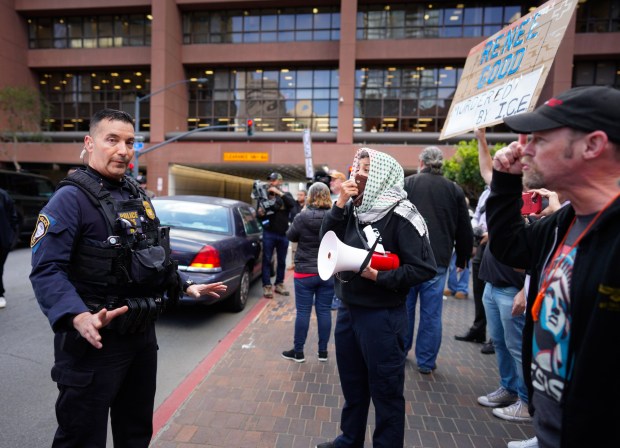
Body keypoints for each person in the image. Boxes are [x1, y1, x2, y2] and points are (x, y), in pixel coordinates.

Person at [29, 109, 227, 448]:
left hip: (140, 337)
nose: (123, 150)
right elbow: (47, 268)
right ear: (90, 143)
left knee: (135, 433)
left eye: (130, 142)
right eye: (113, 140)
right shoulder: (69, 199)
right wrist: (76, 315)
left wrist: (185, 285)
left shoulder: (138, 197)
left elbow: (151, 256)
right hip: (94, 341)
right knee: (80, 437)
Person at [488, 85, 620, 448]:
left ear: (592, 145)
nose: (524, 148)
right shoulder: (566, 221)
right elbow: (510, 246)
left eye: (540, 139)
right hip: (553, 426)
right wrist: (505, 182)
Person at [317, 147, 436, 448]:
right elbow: (326, 243)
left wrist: (379, 276)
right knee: (353, 386)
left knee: (386, 392)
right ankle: (349, 439)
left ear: (385, 175)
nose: (359, 173)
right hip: (348, 312)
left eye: (368, 169)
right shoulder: (353, 210)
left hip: (382, 317)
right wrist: (339, 204)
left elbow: (424, 268)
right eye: (358, 167)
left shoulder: (403, 215)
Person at [403, 146, 473, 374]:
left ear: (421, 162)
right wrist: (462, 257)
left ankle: (400, 351)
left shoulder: (409, 184)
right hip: (438, 260)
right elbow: (464, 227)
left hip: (409, 257)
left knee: (404, 308)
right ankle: (425, 361)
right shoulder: (453, 189)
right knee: (432, 314)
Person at [282, 182, 333, 363]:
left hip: (304, 272)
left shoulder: (301, 217)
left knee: (303, 312)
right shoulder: (333, 217)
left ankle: (298, 352)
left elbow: (290, 236)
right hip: (327, 272)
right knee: (324, 311)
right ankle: (323, 352)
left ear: (310, 196)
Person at [256, 172, 296, 298]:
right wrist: (264, 219)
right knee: (267, 260)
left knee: (282, 261)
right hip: (269, 233)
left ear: (280, 182)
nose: (271, 183)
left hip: (283, 234)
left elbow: (292, 204)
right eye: (270, 181)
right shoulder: (264, 197)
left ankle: (279, 284)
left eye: (274, 180)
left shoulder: (286, 195)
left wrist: (279, 193)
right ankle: (267, 286)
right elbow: (259, 216)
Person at [328, 170, 346, 309]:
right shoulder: (330, 199)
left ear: (342, 181)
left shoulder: (349, 200)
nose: (331, 182)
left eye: (334, 180)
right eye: (331, 180)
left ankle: (338, 298)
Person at [0, 187, 19, 309]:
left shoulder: (3, 195)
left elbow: (13, 216)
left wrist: (11, 237)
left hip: (2, 240)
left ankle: (0, 294)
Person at [287, 189, 306, 270]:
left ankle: (303, 263)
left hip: (305, 230)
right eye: (298, 194)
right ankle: (293, 263)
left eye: (301, 195)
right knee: (294, 248)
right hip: (295, 229)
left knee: (305, 247)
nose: (299, 196)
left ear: (305, 196)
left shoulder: (308, 205)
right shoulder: (293, 204)